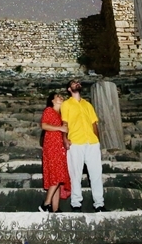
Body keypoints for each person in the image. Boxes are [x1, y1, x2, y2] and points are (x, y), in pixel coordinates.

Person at [60, 79, 104, 212]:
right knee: (75, 173)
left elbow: (94, 123)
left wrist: (97, 140)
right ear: (69, 89)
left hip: (91, 142)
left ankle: (99, 204)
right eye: (73, 83)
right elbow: (65, 123)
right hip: (75, 141)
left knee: (96, 173)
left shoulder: (87, 104)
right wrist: (64, 139)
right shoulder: (66, 104)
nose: (77, 83)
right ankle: (76, 203)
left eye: (78, 82)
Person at [39, 91, 71, 212]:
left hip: (60, 147)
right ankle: (45, 204)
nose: (61, 97)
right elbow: (44, 125)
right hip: (51, 146)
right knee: (57, 176)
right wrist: (59, 128)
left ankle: (55, 209)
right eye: (58, 96)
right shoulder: (49, 110)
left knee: (57, 178)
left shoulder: (62, 115)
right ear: (52, 100)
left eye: (62, 96)